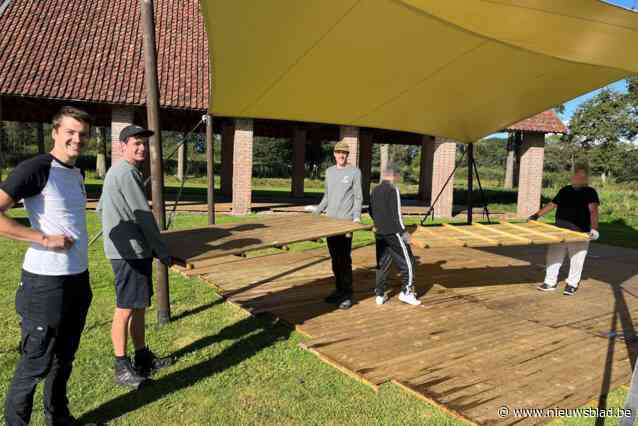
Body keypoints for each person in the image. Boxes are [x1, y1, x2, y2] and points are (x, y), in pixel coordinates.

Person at [1, 106, 93, 426]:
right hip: (45, 283)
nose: (76, 139)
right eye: (70, 132)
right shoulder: (36, 168)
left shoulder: (77, 173)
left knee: (64, 358)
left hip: (77, 279)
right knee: (35, 362)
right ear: (55, 132)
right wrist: (42, 238)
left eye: (82, 134)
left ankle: (59, 417)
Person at [98, 125, 173, 389]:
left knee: (139, 305)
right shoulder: (126, 172)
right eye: (135, 143)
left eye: (144, 143)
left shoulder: (118, 172)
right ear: (122, 146)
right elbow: (143, 215)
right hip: (128, 253)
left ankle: (142, 357)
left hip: (132, 249)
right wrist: (162, 251)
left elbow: (100, 208)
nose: (141, 148)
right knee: (126, 308)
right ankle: (121, 367)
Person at [530, 164, 600, 296]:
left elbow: (593, 210)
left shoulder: (590, 192)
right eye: (576, 175)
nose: (579, 178)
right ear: (572, 177)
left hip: (579, 233)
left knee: (577, 260)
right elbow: (552, 204)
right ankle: (549, 282)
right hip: (560, 231)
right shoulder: (565, 190)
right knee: (553, 257)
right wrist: (536, 215)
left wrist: (594, 229)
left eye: (582, 176)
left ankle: (572, 284)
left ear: (586, 179)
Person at [313, 141, 363, 309]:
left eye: (344, 153)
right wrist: (316, 212)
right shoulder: (329, 172)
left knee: (344, 259)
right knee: (335, 259)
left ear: (348, 155)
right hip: (330, 223)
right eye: (339, 152)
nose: (341, 155)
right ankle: (338, 291)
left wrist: (356, 217)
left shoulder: (355, 172)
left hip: (345, 223)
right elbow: (326, 196)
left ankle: (348, 294)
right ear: (334, 154)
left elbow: (358, 197)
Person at [369, 164, 421, 306]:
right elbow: (397, 215)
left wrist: (377, 223)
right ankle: (407, 292)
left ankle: (379, 295)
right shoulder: (393, 190)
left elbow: (370, 210)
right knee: (409, 262)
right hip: (394, 233)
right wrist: (405, 234)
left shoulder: (375, 190)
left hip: (379, 232)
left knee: (382, 264)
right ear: (393, 175)